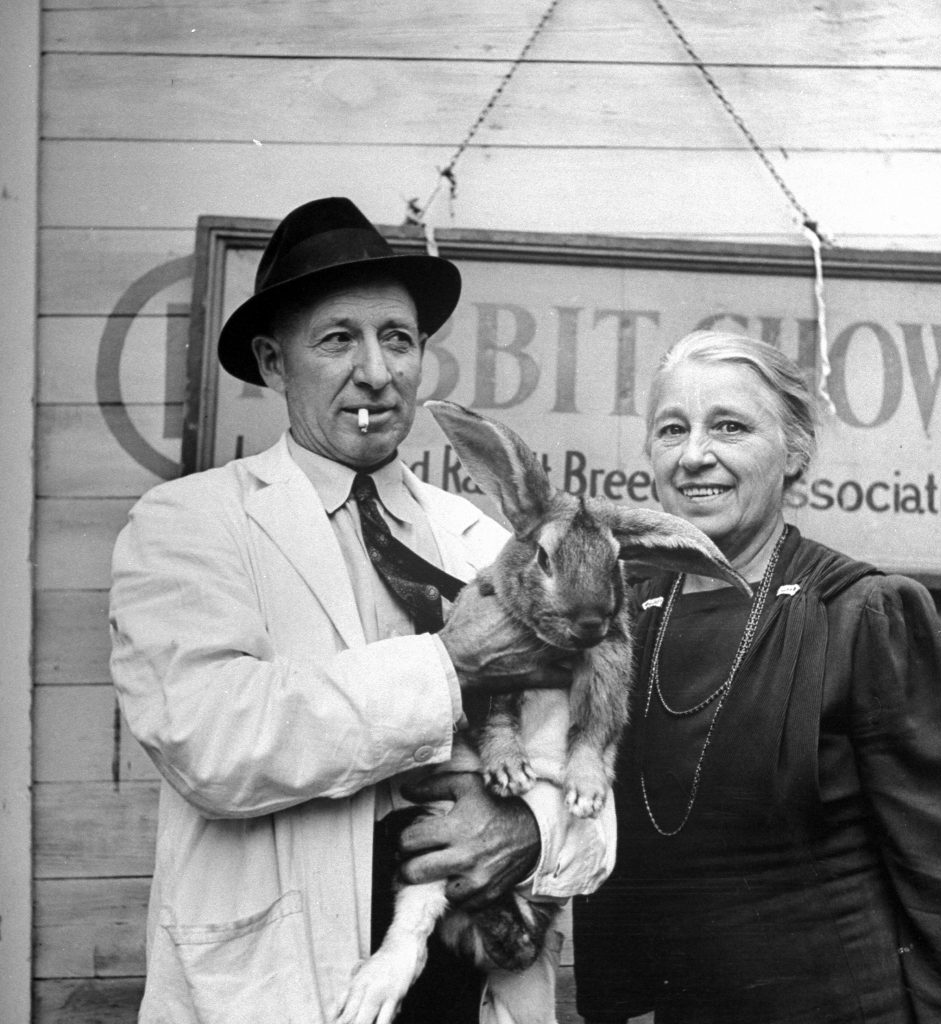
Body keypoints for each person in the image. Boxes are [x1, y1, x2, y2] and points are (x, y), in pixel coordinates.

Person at [109, 197, 614, 1024]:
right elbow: (210, 737)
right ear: (275, 364)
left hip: (462, 979)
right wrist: (450, 667)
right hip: (280, 986)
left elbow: (591, 785)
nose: (377, 371)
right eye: (338, 338)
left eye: (399, 340)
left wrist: (530, 833)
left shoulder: (482, 539)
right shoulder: (188, 524)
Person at [573, 330, 941, 1024]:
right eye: (671, 429)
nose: (695, 454)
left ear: (795, 451)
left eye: (729, 426)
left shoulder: (861, 615)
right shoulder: (620, 617)